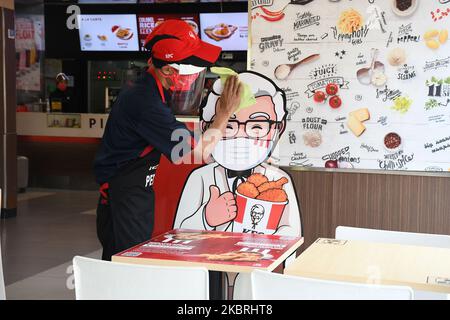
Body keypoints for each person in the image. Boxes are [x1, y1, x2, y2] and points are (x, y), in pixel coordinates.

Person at [93, 20, 243, 261]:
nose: (194, 79)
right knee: (127, 264)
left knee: (123, 262)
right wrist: (224, 114)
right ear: (167, 71)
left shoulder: (148, 91)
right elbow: (198, 153)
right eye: (192, 72)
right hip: (125, 196)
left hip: (132, 192)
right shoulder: (146, 104)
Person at [173, 71, 302, 299]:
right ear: (208, 127)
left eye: (257, 126)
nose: (241, 136)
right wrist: (207, 218)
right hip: (207, 277)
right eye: (229, 126)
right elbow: (178, 235)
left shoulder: (278, 180)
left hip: (258, 278)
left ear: (277, 129)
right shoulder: (201, 178)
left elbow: (292, 236)